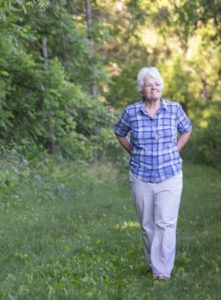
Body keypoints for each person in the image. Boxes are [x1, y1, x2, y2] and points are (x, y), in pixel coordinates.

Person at [114, 67, 192, 281]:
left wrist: (177, 148)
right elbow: (119, 132)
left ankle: (162, 272)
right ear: (142, 89)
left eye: (157, 84)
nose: (154, 88)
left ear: (162, 87)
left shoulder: (174, 109)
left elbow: (187, 128)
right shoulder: (131, 112)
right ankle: (153, 264)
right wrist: (132, 150)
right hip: (141, 175)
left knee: (165, 223)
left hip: (170, 174)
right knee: (148, 225)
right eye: (149, 85)